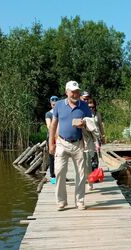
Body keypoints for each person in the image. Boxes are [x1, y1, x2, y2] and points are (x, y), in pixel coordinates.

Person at [49, 81, 92, 211]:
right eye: (73, 92)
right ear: (66, 92)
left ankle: (80, 201)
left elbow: (91, 125)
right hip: (62, 142)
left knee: (81, 173)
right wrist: (51, 143)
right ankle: (61, 201)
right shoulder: (59, 105)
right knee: (60, 171)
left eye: (77, 91)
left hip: (78, 143)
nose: (75, 94)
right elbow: (53, 125)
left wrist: (83, 124)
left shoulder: (84, 106)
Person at [45, 96, 58, 184]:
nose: (54, 103)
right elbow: (49, 126)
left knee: (61, 156)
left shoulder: (61, 112)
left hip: (60, 137)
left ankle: (61, 175)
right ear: (50, 103)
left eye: (56, 102)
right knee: (52, 156)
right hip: (51, 137)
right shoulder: (48, 114)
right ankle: (53, 176)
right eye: (52, 102)